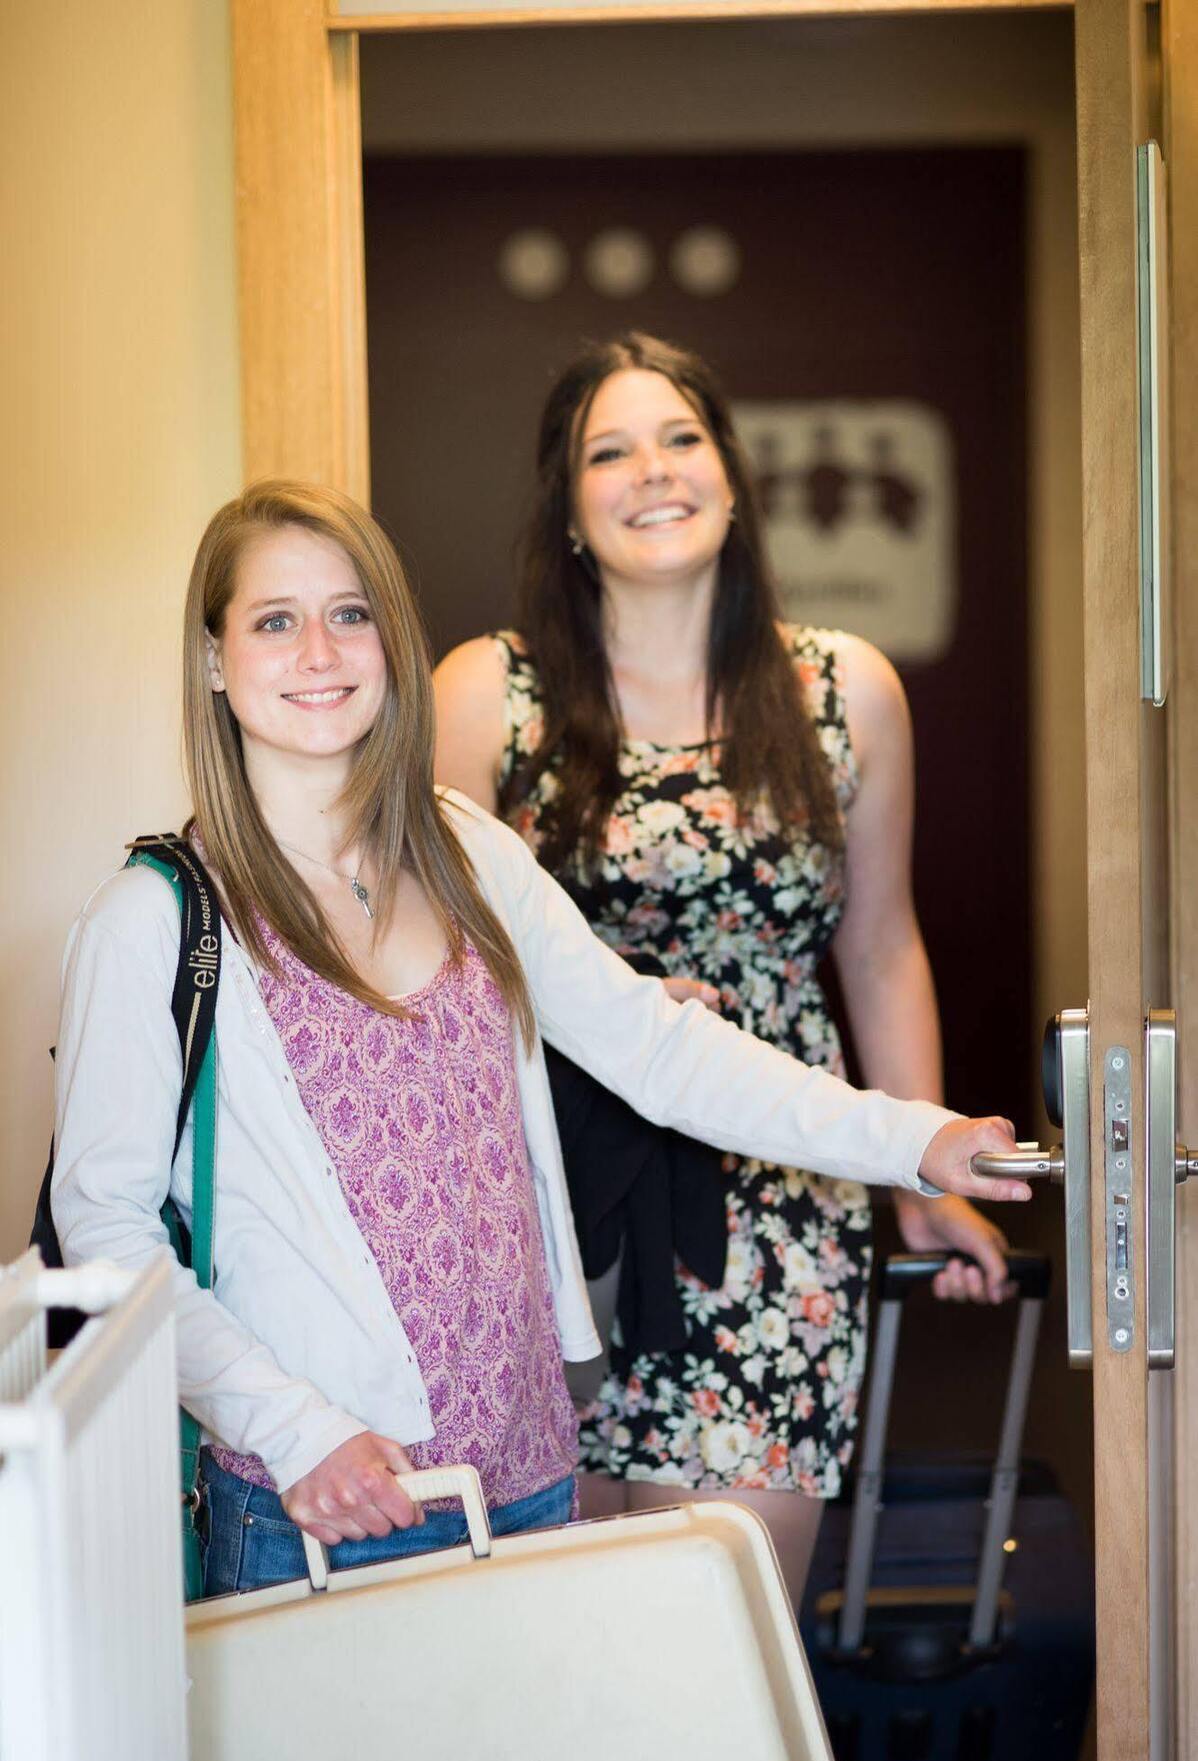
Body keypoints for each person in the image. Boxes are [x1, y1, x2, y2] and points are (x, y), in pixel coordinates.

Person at [52, 479, 1028, 1599]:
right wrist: (291, 1433)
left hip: (523, 1480)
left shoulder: (466, 855)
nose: (319, 649)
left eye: (351, 613)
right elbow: (103, 1222)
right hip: (319, 1506)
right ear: (216, 660)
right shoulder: (158, 920)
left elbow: (659, 1053)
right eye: (274, 620)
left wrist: (916, 1139)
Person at [433, 332, 1013, 1602]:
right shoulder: (487, 696)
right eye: (610, 449)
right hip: (555, 1212)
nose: (653, 470)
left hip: (779, 1198)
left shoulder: (843, 690)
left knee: (727, 1639)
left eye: (682, 438)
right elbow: (439, 972)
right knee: (549, 1650)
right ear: (568, 507)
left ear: (733, 478)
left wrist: (914, 1166)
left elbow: (878, 942)